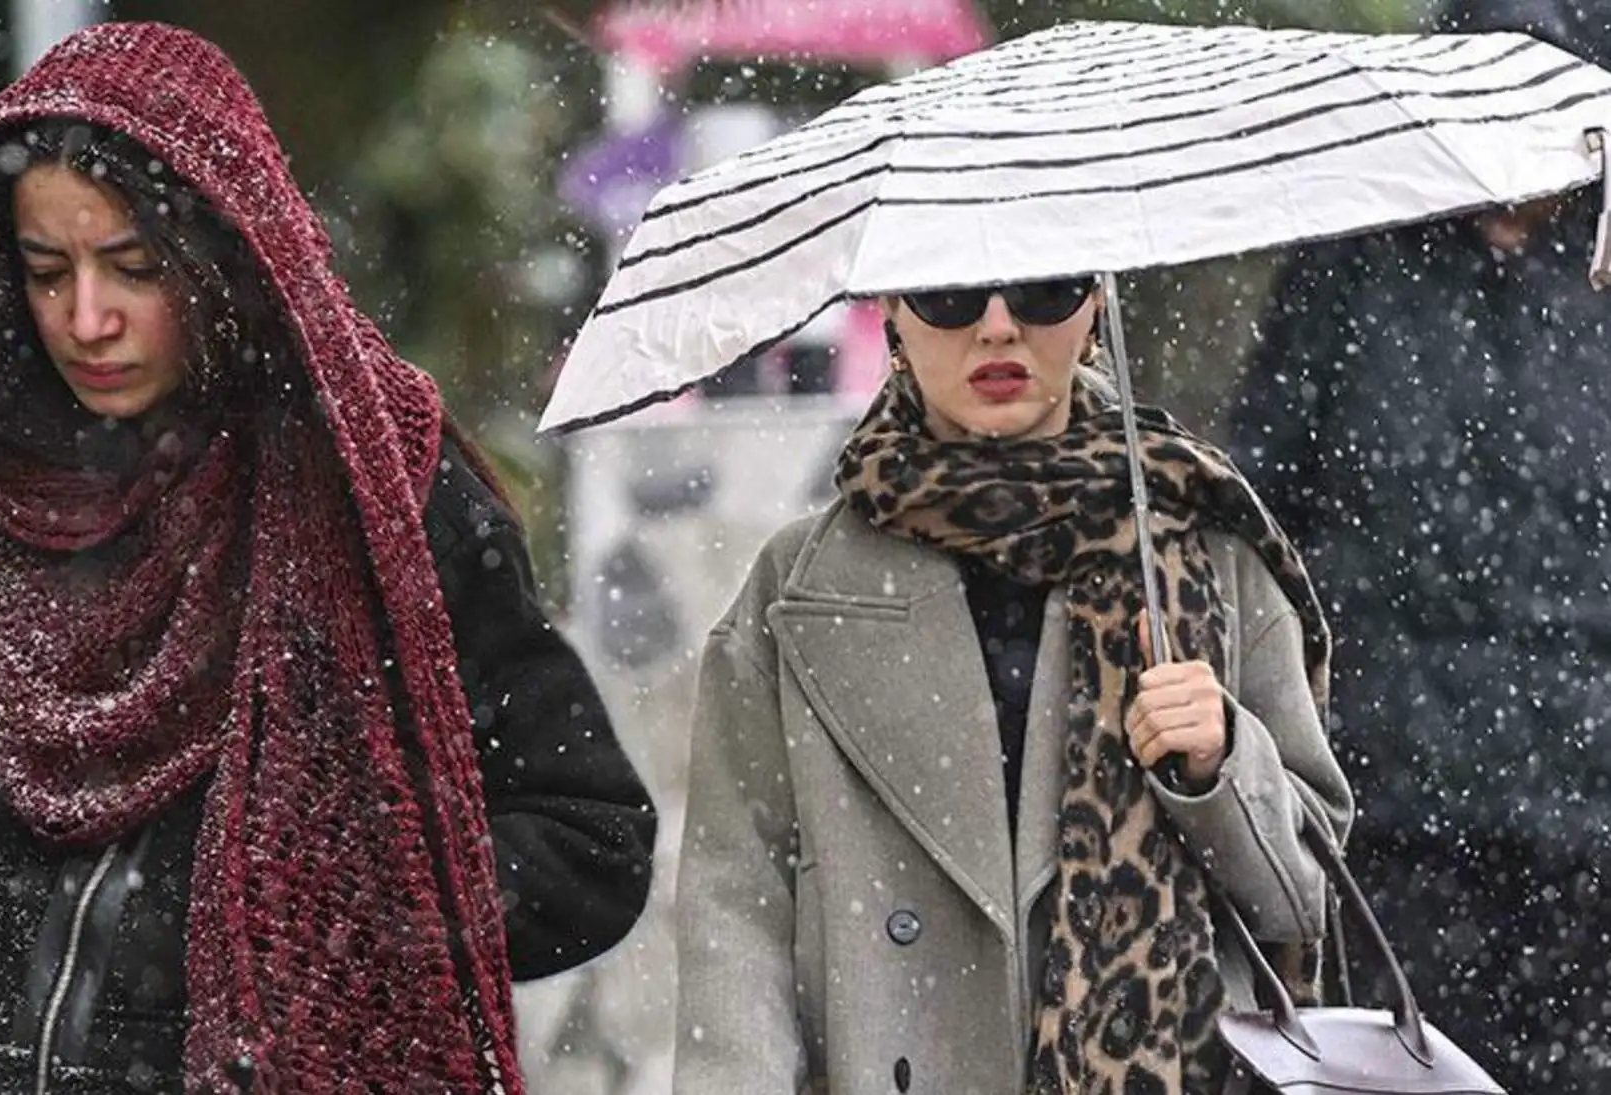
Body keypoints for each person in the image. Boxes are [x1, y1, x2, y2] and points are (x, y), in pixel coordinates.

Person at [0, 22, 656, 1095]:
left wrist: (333, 921)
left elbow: (587, 843)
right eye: (46, 269)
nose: (85, 319)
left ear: (220, 256)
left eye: (133, 267)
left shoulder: (371, 494)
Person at [673, 276, 1353, 1092]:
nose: (998, 327)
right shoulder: (794, 591)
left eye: (1042, 290)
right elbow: (737, 906)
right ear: (891, 312)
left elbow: (1307, 895)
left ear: (1095, 306)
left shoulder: (1208, 557)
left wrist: (1222, 764)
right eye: (949, 294)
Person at [1229, 4, 1611, 1088]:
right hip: (1396, 804)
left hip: (1589, 809)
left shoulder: (1598, 276)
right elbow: (1260, 504)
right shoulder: (1352, 268)